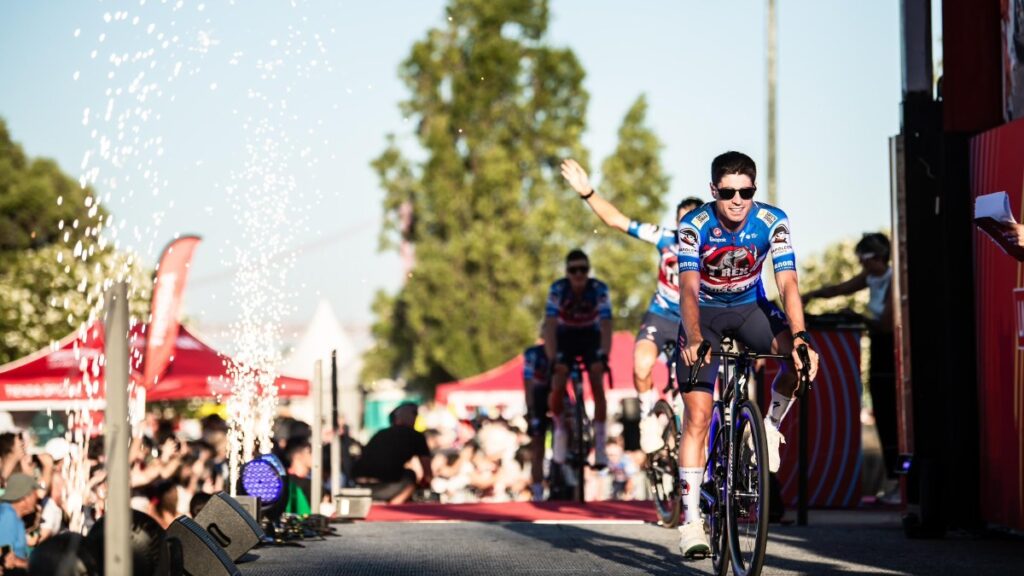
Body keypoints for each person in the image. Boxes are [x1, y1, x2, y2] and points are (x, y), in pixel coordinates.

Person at [675, 151, 820, 557]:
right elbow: (687, 288)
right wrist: (692, 337)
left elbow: (788, 282)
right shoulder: (694, 225)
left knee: (800, 361)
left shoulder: (773, 220)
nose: (737, 199)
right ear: (713, 191)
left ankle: (768, 428)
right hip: (703, 312)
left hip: (750, 307)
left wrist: (801, 336)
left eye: (746, 191)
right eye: (727, 192)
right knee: (699, 416)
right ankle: (690, 521)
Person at [561, 157, 703, 453]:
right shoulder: (665, 239)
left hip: (695, 323)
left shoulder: (716, 248)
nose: (687, 229)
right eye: (682, 222)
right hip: (662, 315)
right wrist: (587, 193)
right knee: (641, 365)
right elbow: (616, 221)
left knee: (693, 395)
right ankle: (647, 416)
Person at [803, 232, 897, 497]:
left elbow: (887, 323)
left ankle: (898, 478)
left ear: (878, 257)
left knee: (890, 412)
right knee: (881, 410)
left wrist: (857, 317)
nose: (862, 267)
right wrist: (810, 295)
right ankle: (891, 478)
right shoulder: (870, 277)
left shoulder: (893, 280)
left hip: (890, 346)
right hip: (879, 345)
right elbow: (840, 289)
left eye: (865, 260)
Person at [543, 249, 613, 471]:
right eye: (573, 270)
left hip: (590, 336)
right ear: (567, 272)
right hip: (565, 336)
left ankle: (600, 444)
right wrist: (553, 358)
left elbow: (606, 325)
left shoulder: (598, 289)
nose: (579, 274)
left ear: (588, 271)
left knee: (596, 379)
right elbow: (550, 325)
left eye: (583, 269)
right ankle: (561, 429)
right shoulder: (558, 289)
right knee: (559, 377)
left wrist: (604, 355)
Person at [352, 402, 431, 504]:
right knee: (410, 475)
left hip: (359, 484)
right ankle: (393, 506)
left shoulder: (380, 434)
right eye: (415, 414)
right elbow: (427, 473)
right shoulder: (416, 437)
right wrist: (423, 487)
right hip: (386, 486)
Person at [522, 338, 550, 501]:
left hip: (557, 395)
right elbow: (527, 381)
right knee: (538, 446)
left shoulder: (564, 349)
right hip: (538, 398)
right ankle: (538, 488)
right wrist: (530, 407)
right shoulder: (533, 354)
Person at [0, 473, 40, 571]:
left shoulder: (15, 517)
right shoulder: (7, 515)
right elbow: (6, 559)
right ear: (25, 497)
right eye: (35, 494)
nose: (37, 498)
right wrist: (35, 566)